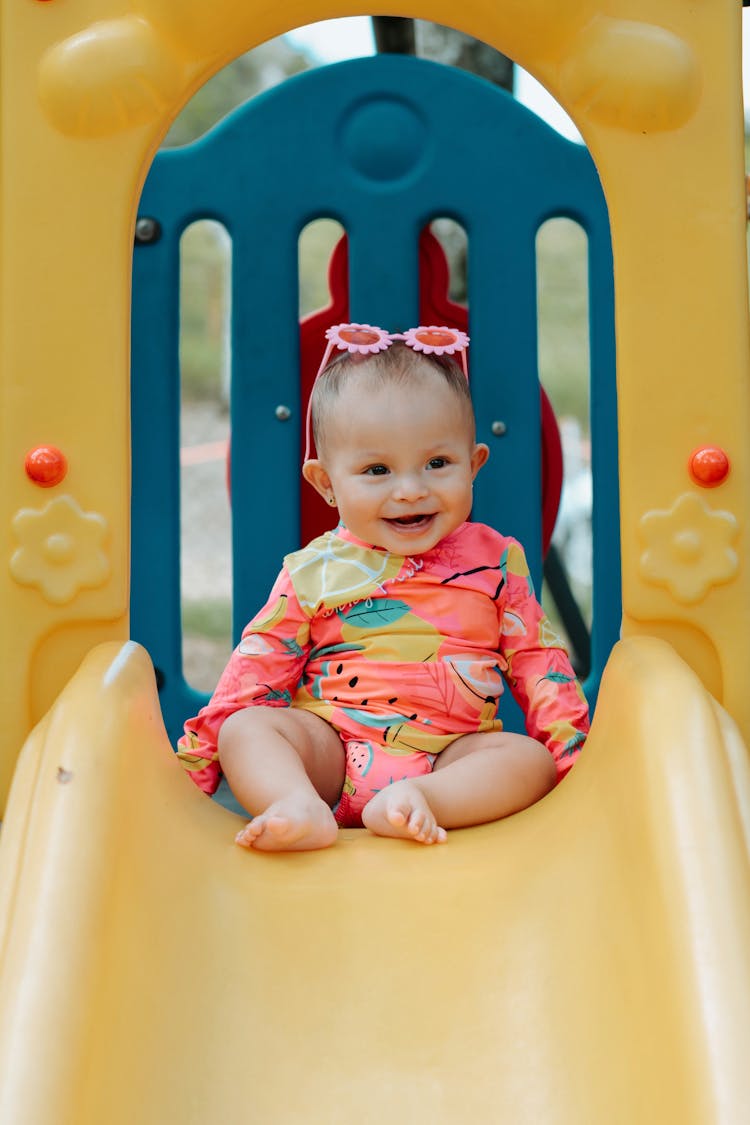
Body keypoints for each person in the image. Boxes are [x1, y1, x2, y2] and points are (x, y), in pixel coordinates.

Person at [177, 323, 589, 852]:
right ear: (326, 483)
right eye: (377, 470)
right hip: (330, 751)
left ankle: (418, 800)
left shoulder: (496, 563)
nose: (411, 489)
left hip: (449, 758)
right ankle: (297, 804)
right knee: (247, 728)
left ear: (474, 464)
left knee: (526, 761)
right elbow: (253, 672)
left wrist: (575, 768)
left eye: (438, 464)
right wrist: (192, 776)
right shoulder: (314, 570)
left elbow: (540, 664)